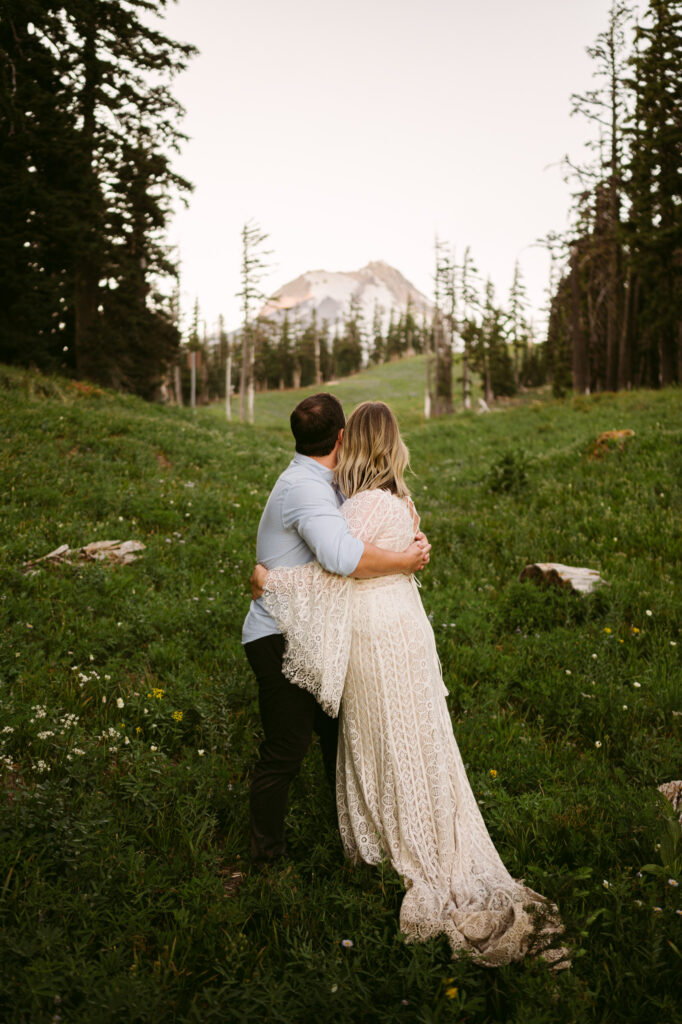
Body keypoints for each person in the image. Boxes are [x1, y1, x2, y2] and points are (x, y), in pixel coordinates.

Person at [253, 401, 568, 969]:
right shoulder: (391, 498)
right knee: (386, 737)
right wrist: (406, 558)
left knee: (379, 738)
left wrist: (269, 579)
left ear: (354, 441)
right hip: (395, 630)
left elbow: (338, 567)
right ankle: (324, 849)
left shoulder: (359, 502)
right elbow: (359, 560)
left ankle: (382, 845)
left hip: (376, 634)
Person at [242, 393, 431, 866]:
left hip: (315, 629)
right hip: (279, 634)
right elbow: (342, 559)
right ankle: (266, 859)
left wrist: (410, 539)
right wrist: (405, 560)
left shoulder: (331, 484)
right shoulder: (304, 489)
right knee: (286, 750)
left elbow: (369, 529)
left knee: (339, 739)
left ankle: (356, 839)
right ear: (342, 436)